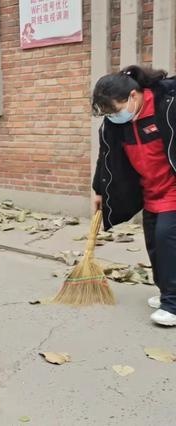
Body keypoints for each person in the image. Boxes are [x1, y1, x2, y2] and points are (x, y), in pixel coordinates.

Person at [92, 65, 176, 326]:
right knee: (153, 243)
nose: (113, 116)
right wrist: (99, 190)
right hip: (150, 190)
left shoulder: (167, 106)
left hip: (172, 187)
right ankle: (166, 292)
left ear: (133, 96)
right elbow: (105, 157)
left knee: (166, 240)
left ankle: (173, 304)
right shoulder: (116, 125)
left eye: (115, 109)